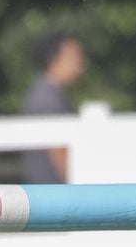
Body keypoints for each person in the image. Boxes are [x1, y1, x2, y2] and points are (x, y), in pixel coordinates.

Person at [20, 32, 87, 184]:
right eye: (74, 57)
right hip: (54, 194)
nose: (80, 63)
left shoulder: (47, 94)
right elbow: (59, 152)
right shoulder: (47, 99)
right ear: (53, 60)